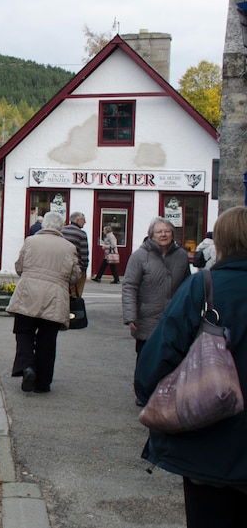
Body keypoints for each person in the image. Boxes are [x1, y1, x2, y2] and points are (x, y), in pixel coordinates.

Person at [134, 206, 247, 527]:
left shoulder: (204, 288)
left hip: (208, 442)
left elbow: (155, 361)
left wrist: (154, 395)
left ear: (220, 242)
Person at [5, 212, 82, 394]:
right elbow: (74, 276)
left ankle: (27, 367)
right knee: (47, 339)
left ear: (43, 225)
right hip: (55, 298)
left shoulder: (30, 241)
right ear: (60, 227)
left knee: (24, 332)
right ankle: (43, 383)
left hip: (29, 294)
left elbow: (19, 267)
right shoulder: (69, 247)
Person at [122, 217, 191, 365]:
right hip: (147, 318)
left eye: (167, 231)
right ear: (152, 235)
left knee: (172, 362)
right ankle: (144, 388)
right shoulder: (139, 256)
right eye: (159, 232)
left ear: (172, 234)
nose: (163, 235)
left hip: (174, 318)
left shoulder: (182, 256)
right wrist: (130, 315)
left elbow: (187, 287)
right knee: (146, 362)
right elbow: (129, 286)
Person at [61, 211, 90, 297]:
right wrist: (84, 268)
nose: (85, 222)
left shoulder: (62, 230)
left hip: (62, 265)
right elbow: (84, 253)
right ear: (78, 220)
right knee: (76, 293)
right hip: (76, 267)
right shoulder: (81, 234)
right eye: (83, 220)